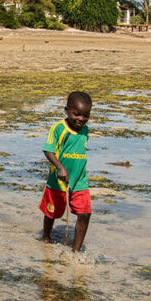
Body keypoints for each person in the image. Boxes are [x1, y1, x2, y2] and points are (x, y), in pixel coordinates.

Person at [39, 91, 93, 252]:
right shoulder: (58, 128)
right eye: (76, 114)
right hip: (58, 180)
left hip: (80, 181)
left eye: (85, 116)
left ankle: (75, 251)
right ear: (67, 110)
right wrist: (60, 167)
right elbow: (48, 150)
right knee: (52, 213)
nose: (81, 119)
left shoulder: (85, 131)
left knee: (85, 213)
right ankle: (46, 238)